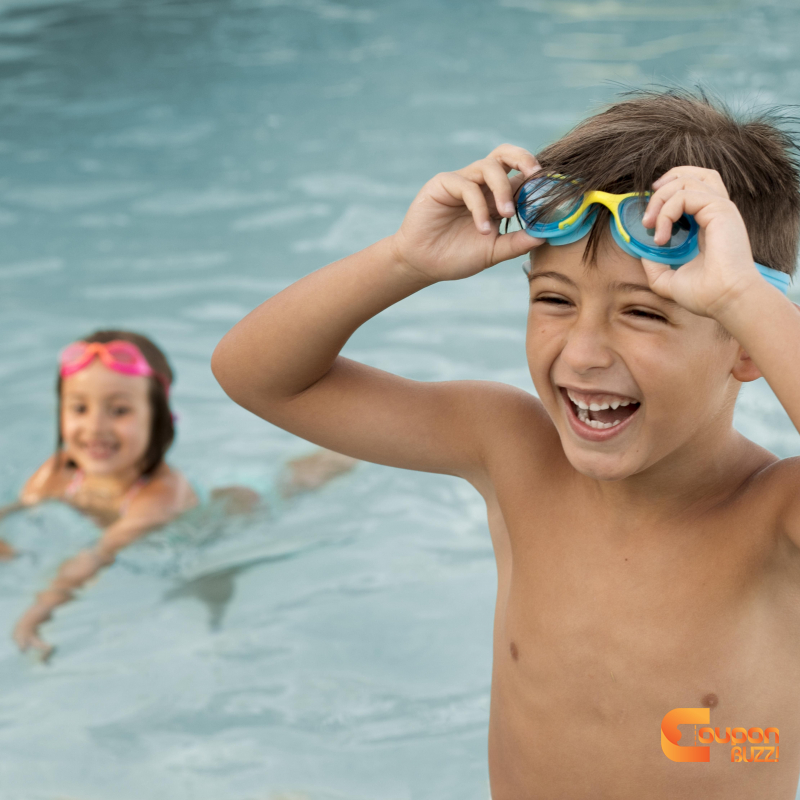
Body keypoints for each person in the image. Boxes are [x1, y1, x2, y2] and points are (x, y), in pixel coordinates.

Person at [211, 88, 800, 799]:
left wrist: (742, 297)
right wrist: (405, 260)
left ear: (748, 346)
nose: (582, 353)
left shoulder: (775, 520)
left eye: (643, 313)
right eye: (554, 299)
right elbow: (259, 378)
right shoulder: (514, 453)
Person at [2, 330, 355, 660]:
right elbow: (19, 507)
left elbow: (97, 555)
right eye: (79, 408)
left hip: (244, 504)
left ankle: (352, 443)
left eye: (120, 410)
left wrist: (36, 615)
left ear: (159, 419)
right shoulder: (59, 471)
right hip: (207, 493)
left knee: (304, 476)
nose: (95, 427)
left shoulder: (158, 496)